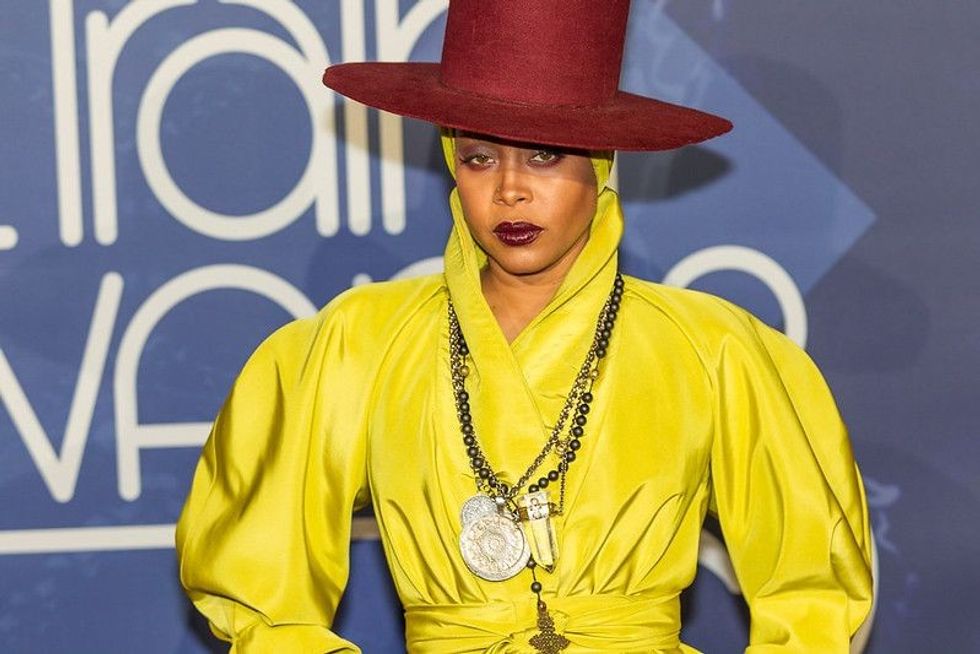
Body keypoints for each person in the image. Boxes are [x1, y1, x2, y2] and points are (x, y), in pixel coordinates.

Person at [175, 1, 874, 652]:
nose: (510, 189)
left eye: (544, 154)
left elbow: (813, 584)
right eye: (480, 158)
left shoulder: (713, 349)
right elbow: (257, 589)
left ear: (599, 166)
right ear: (453, 164)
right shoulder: (357, 342)